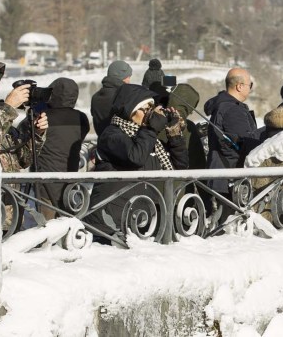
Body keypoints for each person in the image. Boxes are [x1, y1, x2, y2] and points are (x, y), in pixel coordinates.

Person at [83, 83, 189, 238]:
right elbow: (136, 157)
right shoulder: (112, 135)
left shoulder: (146, 137)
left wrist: (174, 135)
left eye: (151, 109)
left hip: (139, 219)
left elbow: (181, 166)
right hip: (109, 222)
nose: (150, 114)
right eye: (145, 109)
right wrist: (151, 129)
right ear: (130, 110)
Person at [203, 68, 258, 221]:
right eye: (250, 84)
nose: (250, 88)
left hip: (220, 176)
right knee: (226, 229)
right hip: (229, 180)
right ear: (240, 86)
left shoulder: (223, 106)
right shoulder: (233, 110)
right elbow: (242, 144)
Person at [35, 77, 90, 219]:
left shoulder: (43, 117)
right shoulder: (81, 118)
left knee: (47, 226)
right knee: (66, 221)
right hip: (70, 179)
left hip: (46, 179)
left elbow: (28, 136)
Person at [91, 60, 132, 137]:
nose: (129, 80)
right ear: (121, 77)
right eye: (128, 77)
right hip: (121, 145)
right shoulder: (124, 96)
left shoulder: (95, 97)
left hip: (102, 143)